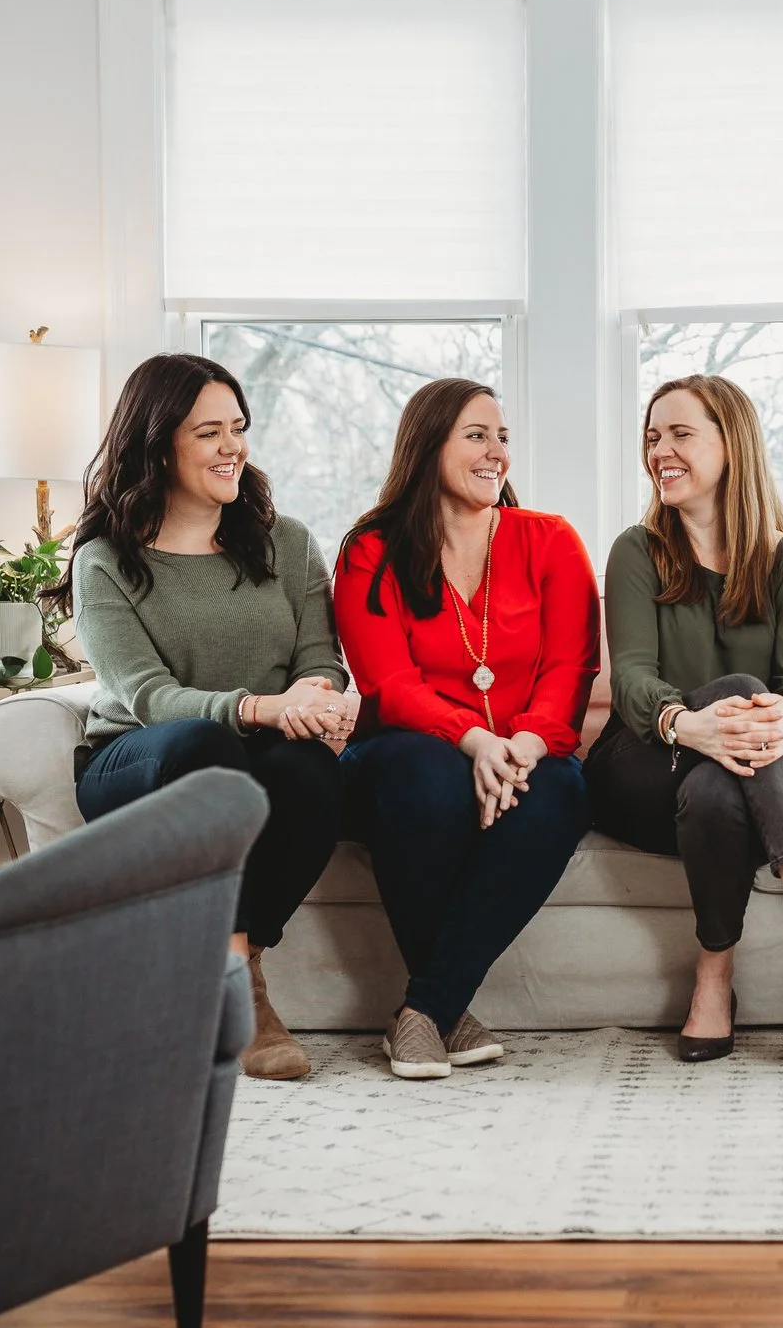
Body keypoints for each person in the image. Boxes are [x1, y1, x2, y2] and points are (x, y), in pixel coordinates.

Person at [51, 352, 354, 1082]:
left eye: (239, 428)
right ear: (158, 447)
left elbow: (322, 655)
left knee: (312, 773)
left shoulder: (287, 542)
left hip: (258, 754)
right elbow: (147, 695)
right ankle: (244, 997)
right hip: (142, 759)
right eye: (209, 432)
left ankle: (234, 965)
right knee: (206, 744)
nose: (232, 447)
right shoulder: (105, 559)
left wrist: (318, 702)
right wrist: (263, 706)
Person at [587, 374, 783, 1063]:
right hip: (643, 769)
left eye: (679, 433)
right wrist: (685, 723)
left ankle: (713, 978)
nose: (659, 450)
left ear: (733, 445)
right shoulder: (636, 551)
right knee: (741, 690)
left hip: (738, 789)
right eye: (651, 437)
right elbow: (634, 679)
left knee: (721, 782)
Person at [333, 378, 598, 1080]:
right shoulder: (371, 549)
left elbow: (572, 667)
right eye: (476, 435)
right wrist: (473, 741)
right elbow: (387, 683)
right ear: (428, 445)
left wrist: (523, 746)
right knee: (425, 776)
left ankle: (425, 1009)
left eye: (502, 437)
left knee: (563, 791)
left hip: (525, 751)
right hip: (405, 755)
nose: (495, 453)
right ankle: (447, 1011)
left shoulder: (550, 539)